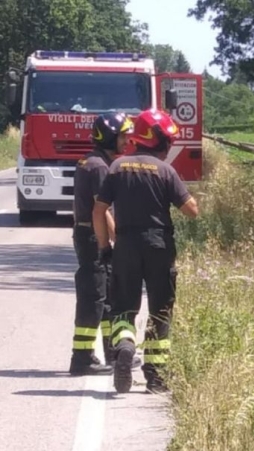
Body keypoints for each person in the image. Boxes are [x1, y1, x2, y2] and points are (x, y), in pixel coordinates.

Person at [92, 108, 199, 394]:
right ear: (158, 141)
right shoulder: (166, 170)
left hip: (126, 245)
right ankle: (155, 378)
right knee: (160, 311)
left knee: (123, 308)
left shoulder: (116, 167)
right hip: (159, 246)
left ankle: (125, 344)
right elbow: (192, 211)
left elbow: (98, 211)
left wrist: (105, 247)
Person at [69, 112, 129, 375]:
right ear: (110, 137)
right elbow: (102, 209)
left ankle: (113, 355)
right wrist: (117, 238)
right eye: (123, 136)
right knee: (93, 298)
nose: (127, 141)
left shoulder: (90, 162)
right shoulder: (100, 167)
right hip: (94, 236)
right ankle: (82, 359)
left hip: (87, 234)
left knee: (105, 298)